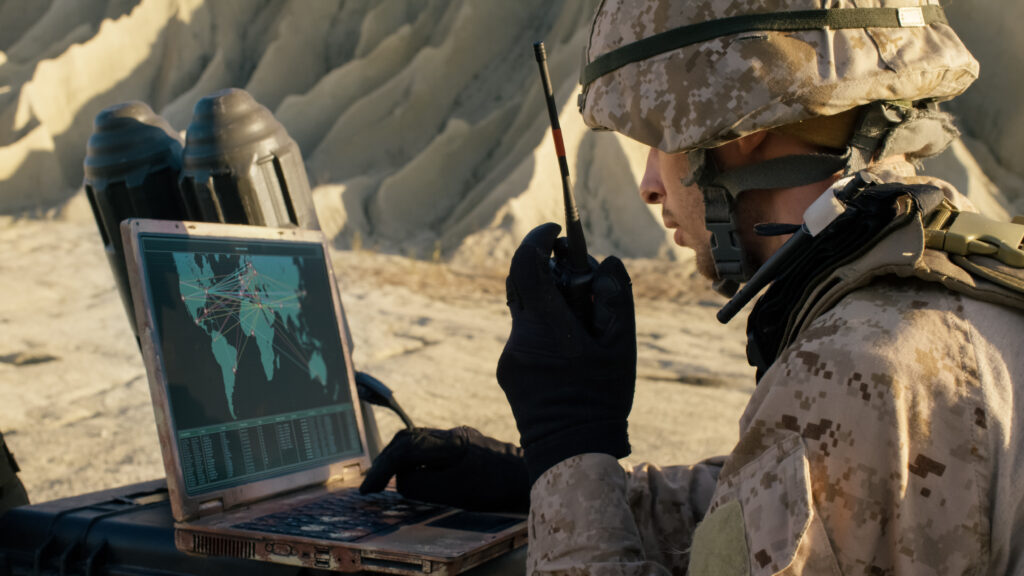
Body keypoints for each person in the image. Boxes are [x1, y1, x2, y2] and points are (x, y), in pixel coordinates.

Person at [363, 1, 1024, 574]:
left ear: (740, 127)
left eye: (659, 140)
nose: (650, 184)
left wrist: (566, 437)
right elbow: (771, 512)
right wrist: (543, 479)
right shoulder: (953, 282)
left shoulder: (860, 365)